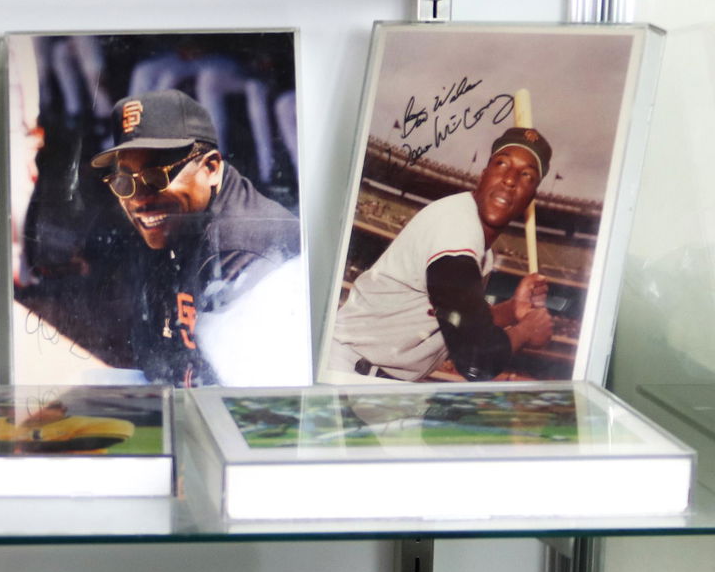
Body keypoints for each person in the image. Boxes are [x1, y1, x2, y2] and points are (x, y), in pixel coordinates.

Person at [90, 88, 304, 387]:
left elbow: (245, 392)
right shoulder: (180, 219)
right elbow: (153, 353)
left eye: (157, 176)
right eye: (124, 181)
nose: (138, 199)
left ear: (211, 168)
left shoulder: (241, 252)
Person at [324, 127, 558, 382]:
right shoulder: (455, 227)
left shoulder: (481, 249)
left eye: (526, 175)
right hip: (346, 370)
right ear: (483, 175)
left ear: (530, 199)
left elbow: (460, 318)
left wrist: (512, 309)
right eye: (502, 164)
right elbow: (475, 358)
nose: (510, 179)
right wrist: (525, 331)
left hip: (373, 378)